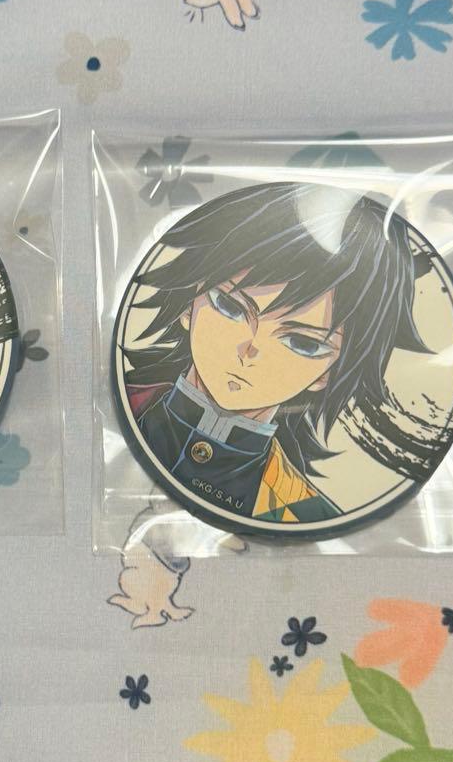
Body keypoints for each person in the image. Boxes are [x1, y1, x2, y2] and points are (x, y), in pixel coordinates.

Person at [121, 182, 429, 524]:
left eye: (302, 343)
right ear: (189, 304)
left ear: (328, 373)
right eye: (230, 307)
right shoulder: (111, 419)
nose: (250, 350)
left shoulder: (306, 514)